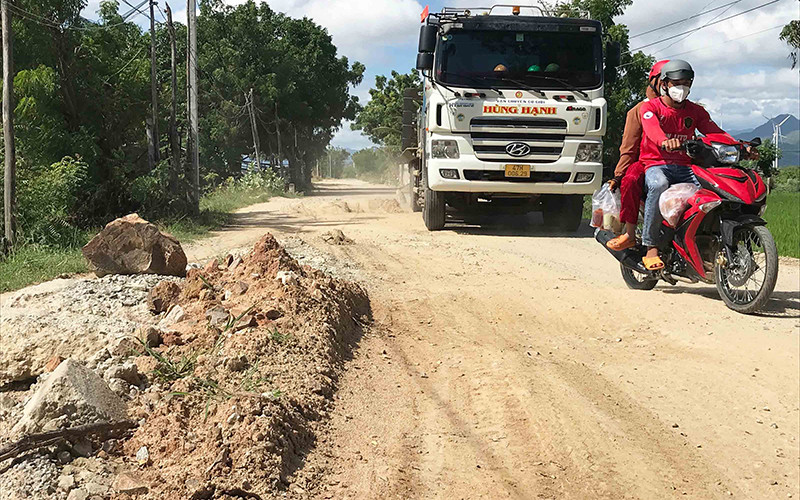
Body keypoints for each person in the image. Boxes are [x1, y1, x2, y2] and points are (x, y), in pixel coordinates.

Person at [637, 59, 737, 270]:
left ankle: (701, 240)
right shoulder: (650, 108)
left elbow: (714, 131)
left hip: (685, 166)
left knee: (711, 190)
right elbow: (652, 129)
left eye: (686, 82)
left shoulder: (695, 111)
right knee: (657, 185)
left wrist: (740, 146)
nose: (681, 88)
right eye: (676, 83)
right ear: (664, 84)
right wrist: (664, 141)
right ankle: (650, 246)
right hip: (657, 164)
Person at [606, 60, 670, 252]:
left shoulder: (683, 108)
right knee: (631, 179)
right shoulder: (639, 111)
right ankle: (630, 234)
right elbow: (629, 147)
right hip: (645, 162)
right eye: (666, 82)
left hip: (678, 162)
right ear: (655, 82)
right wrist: (619, 175)